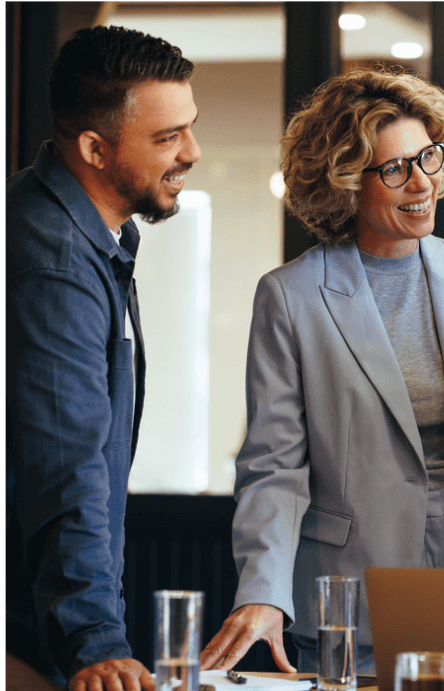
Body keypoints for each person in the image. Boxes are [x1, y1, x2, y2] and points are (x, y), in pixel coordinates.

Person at [200, 67, 444, 676]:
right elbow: (273, 466)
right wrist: (263, 590)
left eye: (428, 158)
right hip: (350, 590)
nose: (422, 183)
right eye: (394, 169)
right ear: (345, 184)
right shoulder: (291, 296)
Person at [6, 26, 200, 691]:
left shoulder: (85, 236)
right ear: (93, 147)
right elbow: (67, 463)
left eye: (189, 128)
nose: (192, 152)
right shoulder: (55, 260)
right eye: (167, 137)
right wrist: (94, 641)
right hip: (27, 633)